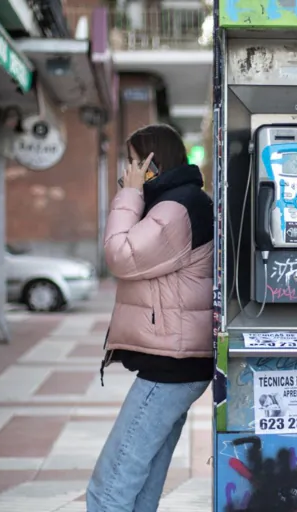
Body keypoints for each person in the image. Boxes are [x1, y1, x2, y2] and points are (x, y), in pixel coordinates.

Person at [87, 124, 214, 512]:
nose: (127, 171)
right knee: (142, 478)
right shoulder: (176, 202)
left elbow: (121, 256)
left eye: (132, 162)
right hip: (177, 360)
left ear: (151, 163)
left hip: (172, 363)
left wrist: (129, 193)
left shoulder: (177, 207)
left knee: (110, 485)